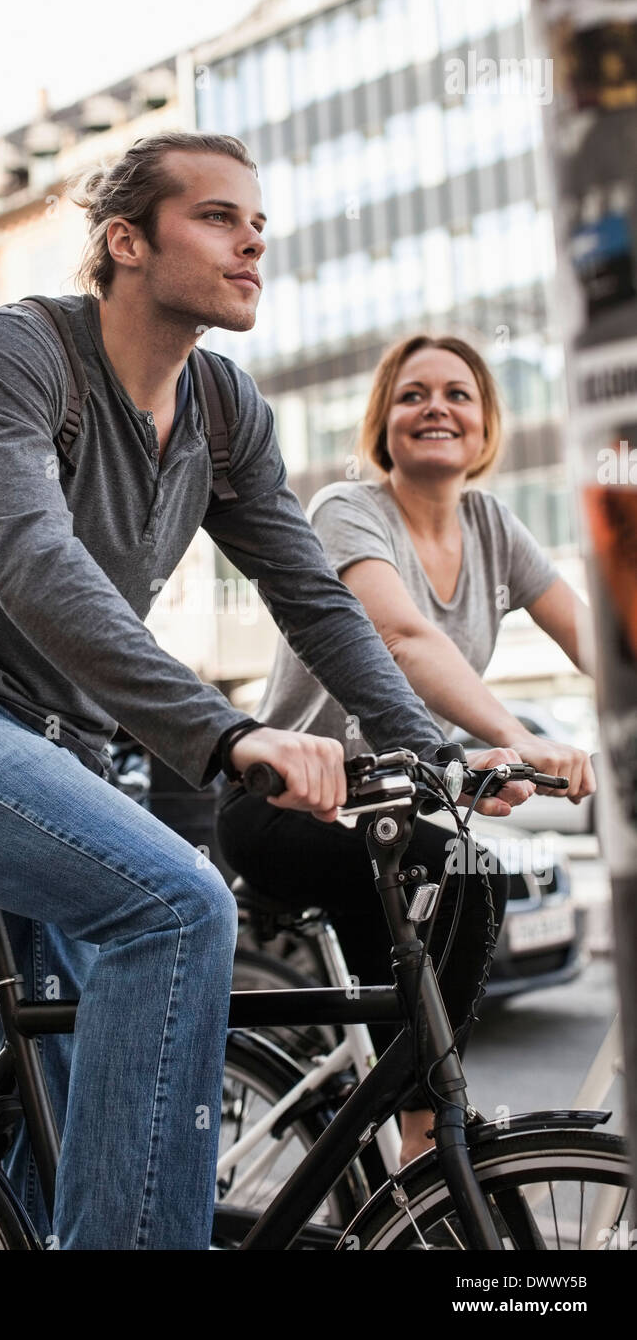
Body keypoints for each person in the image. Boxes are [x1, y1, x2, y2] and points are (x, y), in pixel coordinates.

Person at [0, 135, 531, 1250]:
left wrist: (428, 747)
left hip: (67, 753)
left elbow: (313, 598)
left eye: (257, 221)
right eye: (217, 217)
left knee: (67, 1096)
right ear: (125, 240)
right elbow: (35, 566)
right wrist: (229, 733)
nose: (252, 238)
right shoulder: (13, 354)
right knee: (175, 907)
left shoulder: (221, 408)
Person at [216, 332, 596, 1166]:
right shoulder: (349, 510)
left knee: (456, 910)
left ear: (486, 423)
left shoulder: (493, 525)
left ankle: (396, 1145)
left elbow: (593, 636)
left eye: (458, 394)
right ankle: (422, 1152)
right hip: (285, 803)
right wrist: (514, 736)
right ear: (382, 420)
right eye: (413, 393)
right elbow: (399, 635)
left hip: (383, 814)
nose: (437, 408)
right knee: (469, 880)